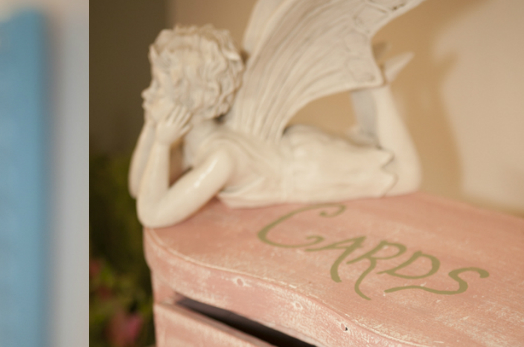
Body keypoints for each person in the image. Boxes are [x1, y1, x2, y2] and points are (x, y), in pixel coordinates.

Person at [129, 25, 422, 228]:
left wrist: (162, 143)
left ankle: (379, 87)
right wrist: (152, 128)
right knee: (370, 146)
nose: (148, 92)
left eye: (159, 86)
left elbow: (153, 214)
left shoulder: (221, 158)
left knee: (404, 175)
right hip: (292, 151)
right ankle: (368, 84)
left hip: (305, 169)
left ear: (193, 99)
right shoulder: (195, 146)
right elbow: (138, 188)